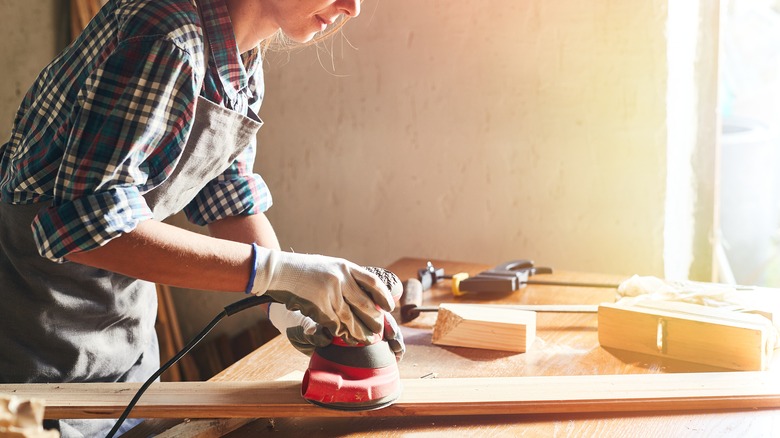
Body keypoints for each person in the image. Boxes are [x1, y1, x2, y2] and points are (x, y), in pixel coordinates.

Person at [0, 0, 404, 436]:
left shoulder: (241, 56)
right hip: (27, 344)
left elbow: (226, 195)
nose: (354, 7)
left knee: (120, 423)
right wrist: (280, 274)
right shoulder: (166, 36)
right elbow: (90, 230)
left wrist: (289, 304)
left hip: (119, 343)